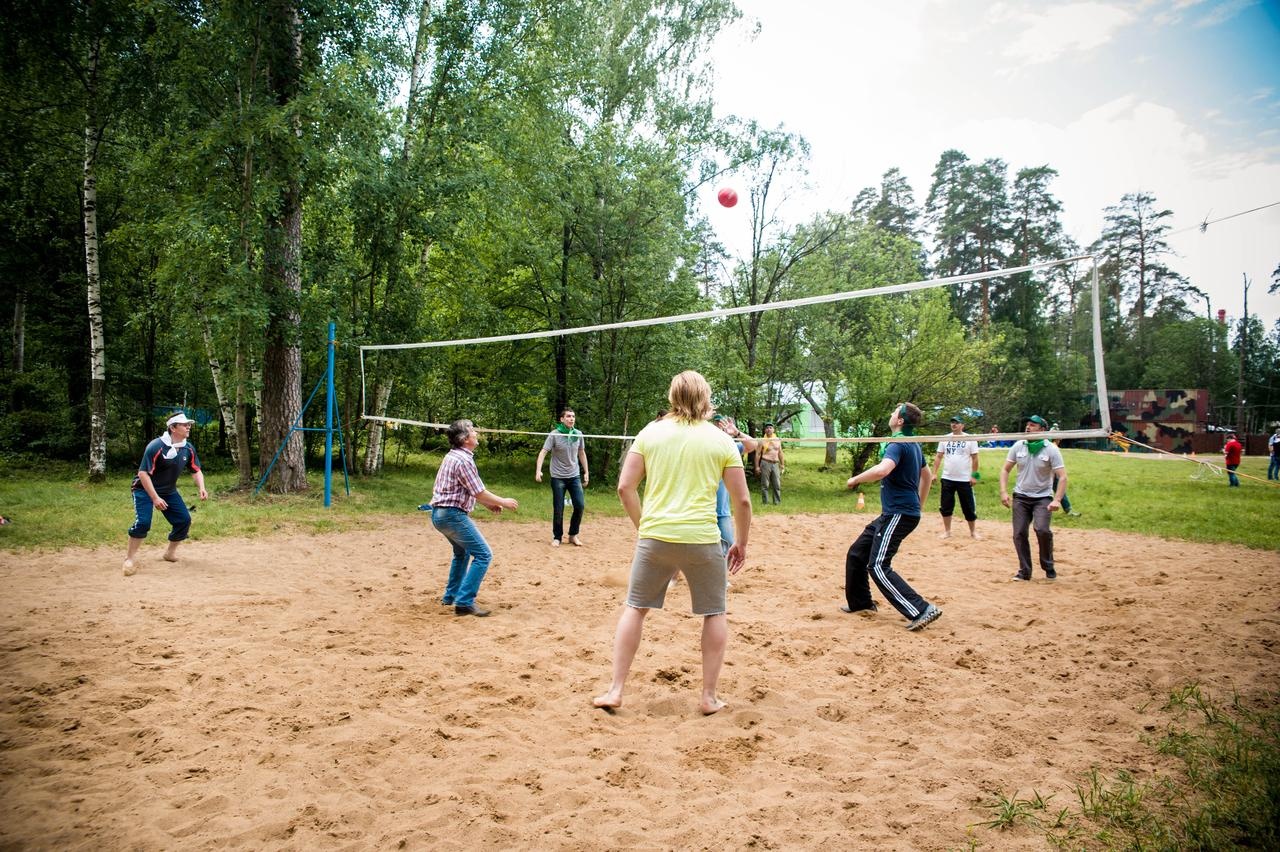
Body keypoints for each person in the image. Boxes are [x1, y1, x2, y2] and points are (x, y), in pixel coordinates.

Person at [594, 371, 751, 716]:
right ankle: (708, 697)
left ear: (672, 397)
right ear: (706, 399)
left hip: (656, 537)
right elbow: (742, 501)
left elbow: (625, 487)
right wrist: (741, 542)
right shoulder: (721, 439)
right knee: (715, 612)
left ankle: (616, 689)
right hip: (701, 539)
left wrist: (643, 526)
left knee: (635, 608)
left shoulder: (650, 432)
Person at [842, 403, 942, 631]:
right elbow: (926, 477)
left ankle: (921, 609)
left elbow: (882, 470)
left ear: (900, 421)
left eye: (894, 412)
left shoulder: (898, 443)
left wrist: (855, 479)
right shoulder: (912, 443)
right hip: (898, 512)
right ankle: (861, 603)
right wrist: (920, 505)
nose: (890, 413)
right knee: (857, 553)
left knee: (877, 565)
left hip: (899, 513)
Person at [428, 419, 519, 617]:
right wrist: (503, 501)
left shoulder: (453, 456)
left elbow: (467, 489)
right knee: (484, 555)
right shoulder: (464, 460)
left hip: (439, 515)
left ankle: (451, 597)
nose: (476, 434)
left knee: (461, 554)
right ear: (465, 439)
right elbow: (478, 490)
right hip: (452, 515)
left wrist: (488, 504)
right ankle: (464, 602)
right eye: (472, 431)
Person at [123, 412, 208, 576]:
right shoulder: (156, 446)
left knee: (184, 520)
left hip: (168, 491)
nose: (188, 427)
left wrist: (201, 487)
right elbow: (143, 474)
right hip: (143, 489)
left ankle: (169, 554)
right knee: (143, 523)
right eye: (184, 424)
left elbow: (196, 470)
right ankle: (130, 558)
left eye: (188, 424)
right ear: (172, 428)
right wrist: (155, 498)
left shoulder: (188, 448)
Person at [999, 415, 1067, 581]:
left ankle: (1048, 566)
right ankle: (1025, 571)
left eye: (1033, 425)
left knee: (1042, 529)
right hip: (1021, 497)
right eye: (1027, 425)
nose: (1028, 427)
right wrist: (1003, 492)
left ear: (1042, 430)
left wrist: (1057, 499)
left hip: (1043, 498)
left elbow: (1063, 477)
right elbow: (1005, 470)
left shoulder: (1050, 449)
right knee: (1019, 533)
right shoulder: (1018, 446)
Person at [534, 408, 589, 547]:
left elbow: (581, 453)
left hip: (574, 476)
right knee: (558, 508)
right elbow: (543, 452)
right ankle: (557, 537)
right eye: (568, 416)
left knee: (580, 505)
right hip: (558, 477)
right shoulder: (554, 435)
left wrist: (586, 472)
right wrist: (538, 470)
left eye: (573, 416)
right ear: (562, 419)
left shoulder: (578, 434)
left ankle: (573, 535)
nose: (571, 419)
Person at [712, 414, 758, 554]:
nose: (720, 427)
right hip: (699, 511)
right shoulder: (704, 445)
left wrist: (736, 432)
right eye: (717, 424)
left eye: (722, 424)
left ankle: (723, 576)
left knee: (728, 547)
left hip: (721, 512)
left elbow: (753, 445)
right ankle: (674, 576)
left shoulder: (731, 447)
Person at [932, 415, 981, 540]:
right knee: (946, 506)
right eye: (952, 422)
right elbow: (938, 456)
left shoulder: (970, 439)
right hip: (947, 477)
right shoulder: (945, 438)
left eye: (957, 423)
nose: (954, 424)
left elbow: (975, 459)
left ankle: (973, 532)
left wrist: (975, 476)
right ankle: (947, 531)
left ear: (962, 425)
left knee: (968, 507)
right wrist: (934, 473)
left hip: (964, 479)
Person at [756, 423, 784, 504]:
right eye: (767, 428)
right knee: (765, 484)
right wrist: (757, 466)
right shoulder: (762, 440)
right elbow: (758, 454)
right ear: (765, 430)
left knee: (777, 484)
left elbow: (780, 453)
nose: (769, 429)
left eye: (770, 428)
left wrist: (782, 464)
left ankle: (777, 502)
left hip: (775, 463)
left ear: (773, 429)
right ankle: (765, 502)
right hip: (765, 462)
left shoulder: (777, 440)